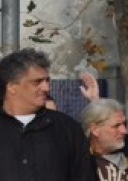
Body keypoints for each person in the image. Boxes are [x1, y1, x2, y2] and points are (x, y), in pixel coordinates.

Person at [1, 48, 88, 181]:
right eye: (37, 82)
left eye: (47, 81)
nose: (46, 88)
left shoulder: (67, 129)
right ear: (12, 87)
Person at [81, 98, 128, 181]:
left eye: (124, 124)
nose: (124, 131)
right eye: (116, 126)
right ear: (95, 130)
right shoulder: (78, 162)